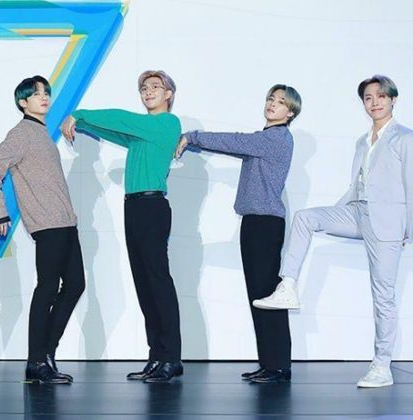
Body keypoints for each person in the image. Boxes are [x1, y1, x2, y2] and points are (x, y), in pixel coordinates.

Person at [253, 75, 412, 388]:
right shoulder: (362, 141)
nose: (375, 102)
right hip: (357, 211)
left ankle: (382, 366)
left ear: (393, 99)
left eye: (381, 96)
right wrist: (340, 211)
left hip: (388, 223)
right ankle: (288, 285)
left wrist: (409, 228)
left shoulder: (405, 138)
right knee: (306, 218)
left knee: (383, 296)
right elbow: (357, 184)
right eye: (368, 98)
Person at [60, 70, 183, 383]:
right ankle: (157, 356)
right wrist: (83, 124)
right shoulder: (143, 134)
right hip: (135, 207)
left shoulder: (167, 123)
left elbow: (121, 120)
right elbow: (114, 131)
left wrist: (79, 114)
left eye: (155, 87)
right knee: (144, 283)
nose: (147, 92)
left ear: (169, 94)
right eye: (143, 88)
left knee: (157, 281)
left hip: (152, 207)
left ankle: (171, 358)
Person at [176, 84, 302, 384]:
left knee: (267, 295)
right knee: (259, 295)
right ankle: (269, 363)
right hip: (256, 222)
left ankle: (278, 366)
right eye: (270, 98)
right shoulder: (267, 138)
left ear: (290, 112)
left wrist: (192, 137)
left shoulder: (275, 138)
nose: (272, 103)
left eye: (280, 101)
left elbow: (233, 141)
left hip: (265, 224)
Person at [0, 76, 84, 384]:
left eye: (46, 92)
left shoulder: (42, 133)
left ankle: (45, 354)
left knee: (75, 285)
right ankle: (37, 361)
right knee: (47, 288)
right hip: (47, 224)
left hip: (65, 222)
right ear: (23, 102)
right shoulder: (22, 133)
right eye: (36, 93)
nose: (44, 97)